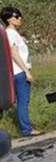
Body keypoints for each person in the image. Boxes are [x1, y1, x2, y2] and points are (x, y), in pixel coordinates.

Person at [0, 7, 40, 137]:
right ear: (8, 19)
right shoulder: (10, 33)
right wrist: (26, 71)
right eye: (16, 16)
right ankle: (26, 129)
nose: (20, 18)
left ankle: (26, 128)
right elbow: (14, 53)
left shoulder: (12, 33)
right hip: (19, 72)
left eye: (20, 16)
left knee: (22, 101)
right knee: (23, 101)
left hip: (18, 71)